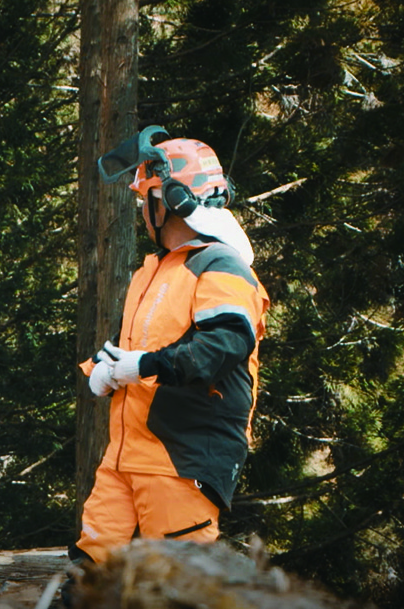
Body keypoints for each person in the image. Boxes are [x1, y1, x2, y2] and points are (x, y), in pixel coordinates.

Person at [71, 126, 271, 570]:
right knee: (89, 577)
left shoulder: (219, 266)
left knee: (176, 587)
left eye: (147, 201)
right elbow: (141, 345)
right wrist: (102, 369)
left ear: (172, 200)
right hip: (125, 458)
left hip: (180, 460)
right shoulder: (153, 272)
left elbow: (224, 344)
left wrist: (143, 365)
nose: (143, 212)